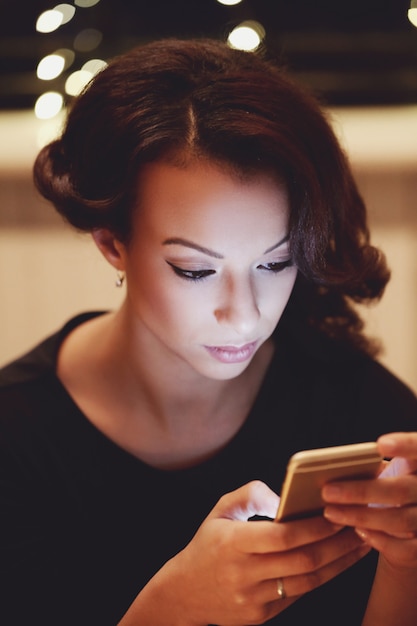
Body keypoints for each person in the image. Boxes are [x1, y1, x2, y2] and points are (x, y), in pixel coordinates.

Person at [0, 37, 416, 626]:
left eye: (275, 263)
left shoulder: (361, 411)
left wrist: (407, 564)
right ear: (112, 242)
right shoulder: (17, 445)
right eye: (195, 270)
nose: (244, 314)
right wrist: (170, 610)